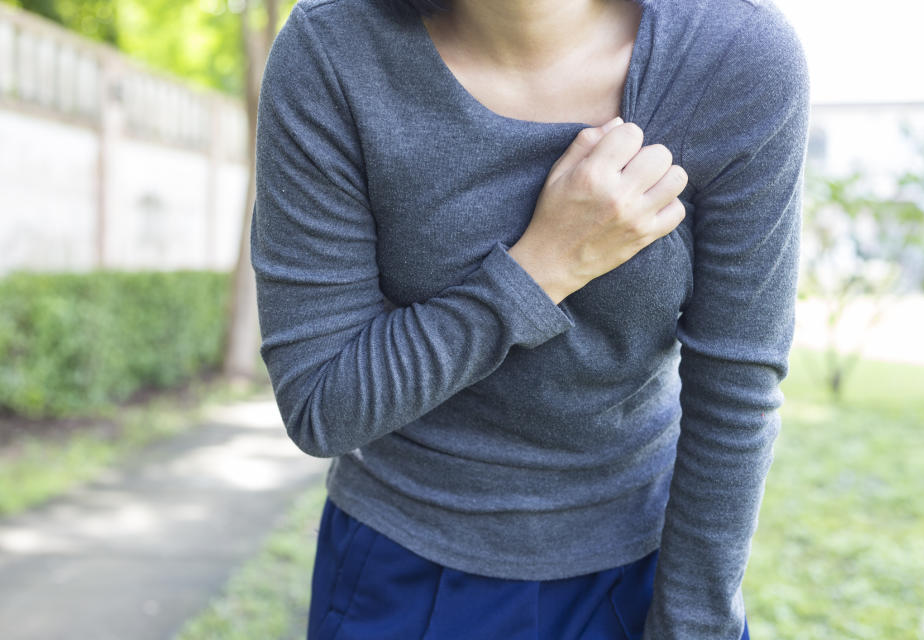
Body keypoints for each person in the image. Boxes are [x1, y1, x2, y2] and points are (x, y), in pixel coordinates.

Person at [250, 0, 810, 637]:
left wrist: (694, 625)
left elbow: (737, 386)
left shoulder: (735, 56)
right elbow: (322, 403)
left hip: (639, 568)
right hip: (402, 566)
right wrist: (543, 267)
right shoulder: (333, 51)